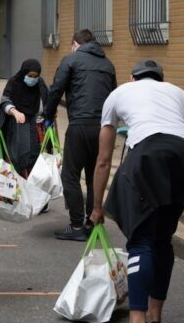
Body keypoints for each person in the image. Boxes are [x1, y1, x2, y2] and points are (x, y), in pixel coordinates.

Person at [91, 60, 184, 323]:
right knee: (162, 239)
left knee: (141, 240)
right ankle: (155, 314)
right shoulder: (178, 93)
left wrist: (97, 206)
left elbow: (103, 160)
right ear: (161, 79)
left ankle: (137, 318)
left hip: (148, 154)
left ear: (132, 78)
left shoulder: (118, 94)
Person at [44, 29, 116, 241]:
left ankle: (76, 226)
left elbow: (56, 89)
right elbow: (114, 95)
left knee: (70, 175)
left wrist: (48, 116)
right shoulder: (108, 64)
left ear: (75, 43)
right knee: (96, 174)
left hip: (80, 124)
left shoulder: (71, 60)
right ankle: (91, 221)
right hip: (103, 126)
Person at [0, 59, 49, 175]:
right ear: (23, 73)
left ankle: (35, 190)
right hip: (18, 130)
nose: (32, 79)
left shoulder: (40, 84)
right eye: (30, 75)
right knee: (19, 161)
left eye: (35, 76)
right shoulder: (14, 82)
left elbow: (48, 102)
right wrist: (14, 112)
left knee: (37, 164)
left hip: (38, 130)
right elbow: (5, 101)